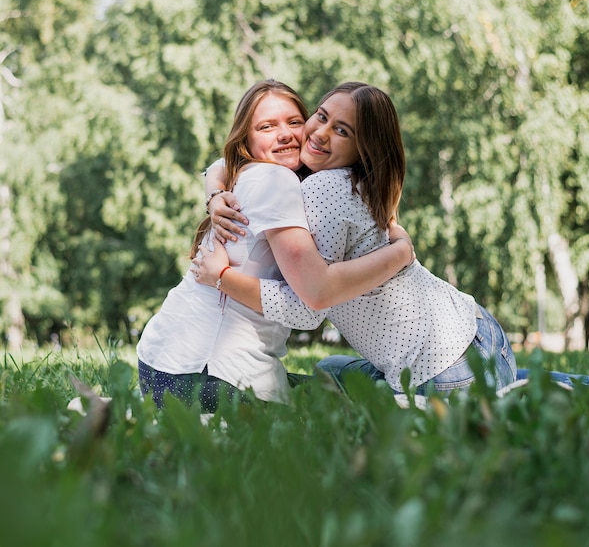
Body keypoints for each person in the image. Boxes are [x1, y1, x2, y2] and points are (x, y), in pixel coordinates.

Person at [195, 82, 518, 398]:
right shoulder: (337, 179)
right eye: (321, 117)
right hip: (476, 333)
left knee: (338, 408)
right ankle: (517, 383)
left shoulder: (325, 188)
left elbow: (310, 303)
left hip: (447, 367)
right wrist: (216, 193)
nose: (321, 133)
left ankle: (513, 389)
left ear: (364, 148)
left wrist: (222, 278)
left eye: (342, 131)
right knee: (330, 368)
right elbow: (229, 161)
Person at [136, 79, 413, 412]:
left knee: (326, 388)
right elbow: (312, 305)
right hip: (211, 376)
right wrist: (398, 252)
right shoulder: (277, 180)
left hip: (157, 366)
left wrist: (213, 191)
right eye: (267, 126)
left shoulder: (249, 173)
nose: (284, 134)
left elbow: (219, 165)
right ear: (247, 140)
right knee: (350, 412)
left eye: (294, 122)